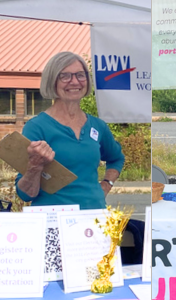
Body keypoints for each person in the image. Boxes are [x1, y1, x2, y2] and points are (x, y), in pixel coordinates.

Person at [15, 52, 125, 210]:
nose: (74, 82)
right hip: (52, 221)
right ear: (52, 81)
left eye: (80, 75)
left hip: (93, 219)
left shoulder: (97, 126)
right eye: (65, 76)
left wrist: (106, 184)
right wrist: (34, 165)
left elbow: (116, 158)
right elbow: (25, 194)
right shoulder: (37, 127)